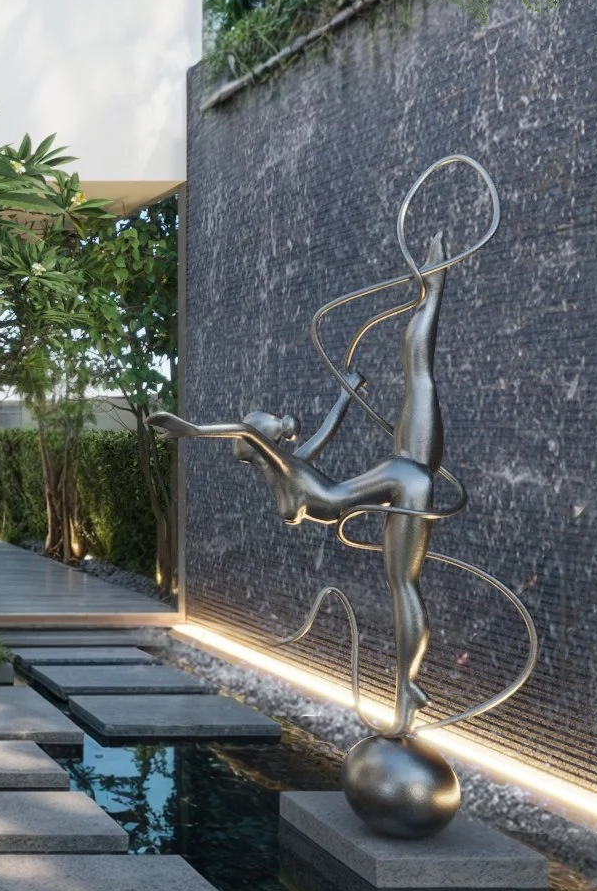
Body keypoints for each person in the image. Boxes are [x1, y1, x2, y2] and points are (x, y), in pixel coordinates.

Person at [151, 235, 448, 736]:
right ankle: (432, 287)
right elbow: (244, 431)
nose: (274, 419)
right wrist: (193, 431)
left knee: (420, 377)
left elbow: (325, 433)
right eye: (268, 422)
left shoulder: (293, 464)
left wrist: (347, 395)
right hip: (401, 480)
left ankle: (433, 287)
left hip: (401, 483)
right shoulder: (280, 466)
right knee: (418, 379)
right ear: (261, 442)